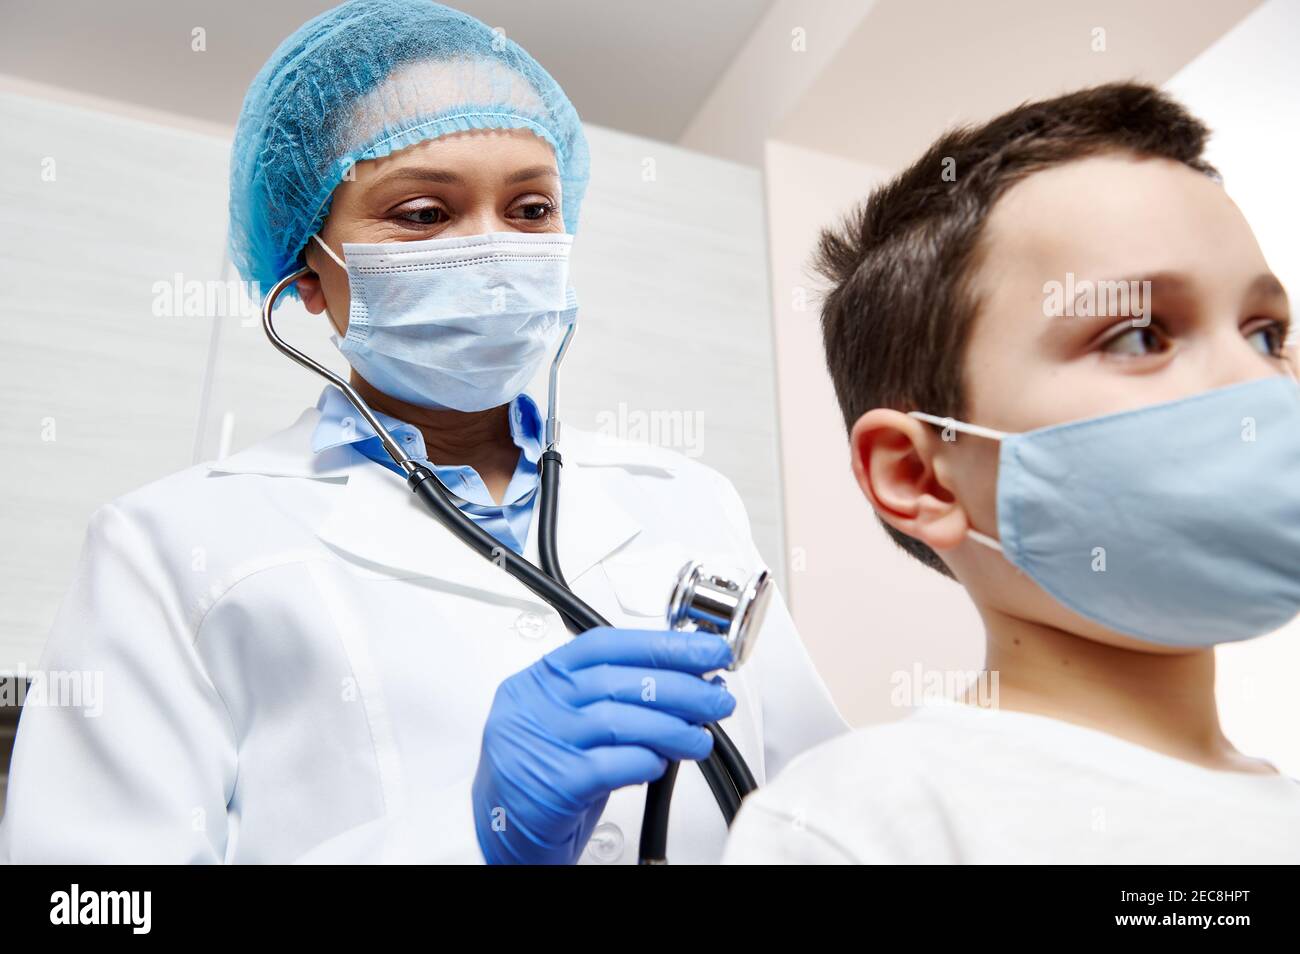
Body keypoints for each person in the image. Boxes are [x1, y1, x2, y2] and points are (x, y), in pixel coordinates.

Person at [0, 0, 844, 864]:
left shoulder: (689, 500)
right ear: (309, 280)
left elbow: (828, 811)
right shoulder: (169, 547)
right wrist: (466, 835)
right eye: (422, 215)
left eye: (529, 209)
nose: (492, 250)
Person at [723, 83, 1300, 864]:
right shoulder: (856, 824)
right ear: (920, 476)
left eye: (1266, 335)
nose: (1260, 385)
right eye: (1139, 336)